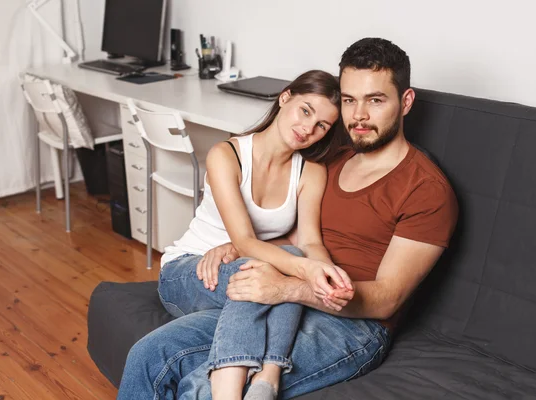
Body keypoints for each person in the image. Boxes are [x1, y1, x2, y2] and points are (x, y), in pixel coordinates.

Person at [117, 37, 459, 400]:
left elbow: (388, 299)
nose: (358, 116)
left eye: (375, 100)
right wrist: (235, 247)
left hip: (351, 323)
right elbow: (298, 241)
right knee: (149, 354)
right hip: (286, 295)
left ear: (405, 102)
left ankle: (262, 378)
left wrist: (290, 288)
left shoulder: (426, 190)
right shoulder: (330, 160)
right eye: (348, 100)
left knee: (199, 389)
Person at [118, 69, 352, 400]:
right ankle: (245, 389)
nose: (308, 129)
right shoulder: (226, 155)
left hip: (237, 276)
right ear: (285, 97)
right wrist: (302, 270)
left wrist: (327, 276)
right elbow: (245, 241)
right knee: (269, 272)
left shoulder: (310, 171)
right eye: (305, 110)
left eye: (322, 126)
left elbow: (308, 241)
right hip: (189, 269)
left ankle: (264, 381)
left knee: (283, 268)